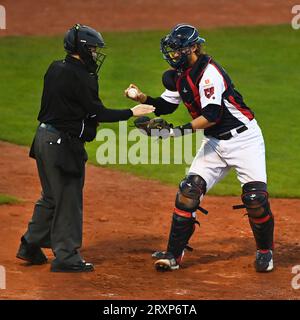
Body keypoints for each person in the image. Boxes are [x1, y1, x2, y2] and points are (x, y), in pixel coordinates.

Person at [125, 23, 274, 272]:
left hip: (244, 140)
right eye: (171, 51)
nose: (173, 55)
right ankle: (173, 255)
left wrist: (174, 132)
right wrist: (142, 98)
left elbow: (212, 116)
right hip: (215, 143)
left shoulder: (209, 74)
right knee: (189, 191)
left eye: (177, 51)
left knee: (255, 198)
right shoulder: (181, 75)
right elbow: (165, 106)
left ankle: (265, 252)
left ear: (193, 48)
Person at [16, 23, 155, 273]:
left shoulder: (55, 67)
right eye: (92, 48)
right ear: (81, 48)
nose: (94, 53)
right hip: (63, 145)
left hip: (43, 138)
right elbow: (97, 112)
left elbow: (74, 108)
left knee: (50, 197)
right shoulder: (82, 76)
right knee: (68, 199)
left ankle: (30, 245)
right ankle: (66, 257)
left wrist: (89, 119)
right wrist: (131, 112)